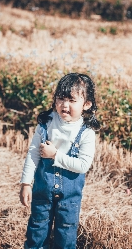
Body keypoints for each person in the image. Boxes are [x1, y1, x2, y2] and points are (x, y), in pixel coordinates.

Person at [20, 72, 100, 249]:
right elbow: (33, 154)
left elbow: (83, 165)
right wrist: (26, 183)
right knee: (37, 232)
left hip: (70, 198)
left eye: (72, 100)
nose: (65, 105)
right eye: (61, 98)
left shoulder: (86, 133)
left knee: (65, 235)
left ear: (86, 104)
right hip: (42, 191)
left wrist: (55, 155)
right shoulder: (46, 124)